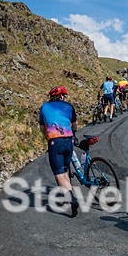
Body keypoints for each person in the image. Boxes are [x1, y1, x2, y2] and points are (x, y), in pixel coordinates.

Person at [38, 86, 79, 217]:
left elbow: (42, 126)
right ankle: (69, 199)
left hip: (55, 142)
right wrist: (73, 133)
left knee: (59, 174)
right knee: (65, 170)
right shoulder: (69, 106)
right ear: (62, 96)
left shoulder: (44, 107)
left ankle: (71, 198)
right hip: (68, 140)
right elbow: (75, 124)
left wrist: (47, 137)